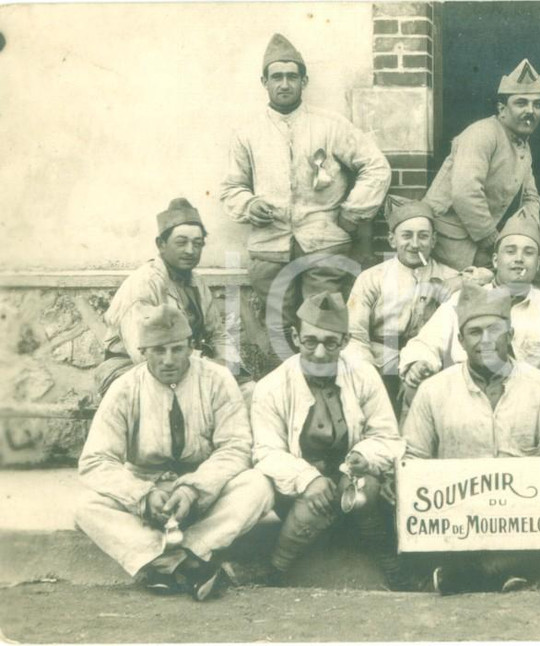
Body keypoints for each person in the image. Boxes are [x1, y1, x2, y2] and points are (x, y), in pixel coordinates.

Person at [76, 304, 273, 601]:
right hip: (149, 494)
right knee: (86, 506)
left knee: (259, 485)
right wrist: (141, 495)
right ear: (143, 351)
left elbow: (236, 446)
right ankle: (180, 564)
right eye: (158, 350)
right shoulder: (125, 389)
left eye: (177, 349)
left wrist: (194, 489)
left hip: (204, 493)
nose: (168, 360)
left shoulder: (217, 379)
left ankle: (188, 552)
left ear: (191, 347)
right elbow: (95, 460)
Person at [402, 282, 540, 594]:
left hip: (521, 509)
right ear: (460, 341)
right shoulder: (434, 390)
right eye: (474, 332)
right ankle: (511, 570)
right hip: (459, 508)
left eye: (494, 330)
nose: (485, 340)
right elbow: (414, 458)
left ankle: (473, 573)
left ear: (511, 335)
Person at [220, 33, 391, 359]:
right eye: (277, 77)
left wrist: (352, 213)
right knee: (278, 331)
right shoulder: (247, 133)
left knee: (323, 324)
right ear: (264, 82)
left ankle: (325, 391)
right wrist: (250, 204)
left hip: (324, 246)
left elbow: (376, 167)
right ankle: (285, 396)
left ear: (304, 81)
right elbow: (231, 187)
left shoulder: (330, 126)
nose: (284, 84)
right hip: (269, 248)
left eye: (292, 77)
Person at [251, 291, 408, 588]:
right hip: (298, 490)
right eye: (310, 341)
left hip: (351, 479)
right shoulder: (271, 386)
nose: (320, 353)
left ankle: (391, 565)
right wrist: (307, 479)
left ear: (345, 341)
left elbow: (388, 436)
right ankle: (276, 568)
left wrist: (364, 456)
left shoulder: (364, 375)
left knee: (368, 491)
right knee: (311, 509)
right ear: (296, 337)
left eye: (330, 342)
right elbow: (266, 452)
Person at [398, 211, 540, 404]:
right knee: (415, 387)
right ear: (495, 260)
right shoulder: (463, 299)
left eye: (528, 253)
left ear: (538, 264)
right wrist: (419, 363)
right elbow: (425, 343)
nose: (519, 259)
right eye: (510, 251)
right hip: (466, 398)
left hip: (529, 403)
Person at [422, 59, 540, 286]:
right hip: (454, 239)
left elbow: (530, 197)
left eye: (537, 105)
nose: (530, 111)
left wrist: (527, 234)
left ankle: (527, 297)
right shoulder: (482, 134)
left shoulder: (522, 145)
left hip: (483, 239)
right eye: (521, 103)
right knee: (502, 270)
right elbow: (465, 193)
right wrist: (493, 239)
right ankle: (510, 296)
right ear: (502, 108)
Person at [95, 198, 241, 396]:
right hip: (128, 369)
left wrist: (230, 364)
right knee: (181, 394)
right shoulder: (144, 284)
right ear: (161, 244)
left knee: (244, 390)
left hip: (181, 364)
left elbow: (217, 333)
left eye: (197, 244)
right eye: (181, 242)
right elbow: (144, 353)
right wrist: (206, 364)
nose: (190, 250)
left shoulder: (197, 283)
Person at [346, 200, 460, 404]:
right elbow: (355, 334)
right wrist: (367, 375)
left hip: (428, 364)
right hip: (379, 362)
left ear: (433, 240)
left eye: (423, 236)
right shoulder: (371, 278)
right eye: (406, 236)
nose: (415, 244)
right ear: (392, 239)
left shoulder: (451, 278)